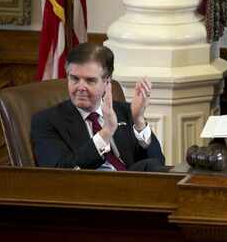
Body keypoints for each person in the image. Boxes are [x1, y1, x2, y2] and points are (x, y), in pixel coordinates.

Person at [31, 43, 165, 171]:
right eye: (74, 79)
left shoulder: (125, 111)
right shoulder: (47, 121)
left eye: (90, 80)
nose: (81, 87)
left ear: (107, 81)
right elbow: (58, 171)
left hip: (133, 188)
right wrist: (106, 132)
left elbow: (157, 163)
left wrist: (139, 120)